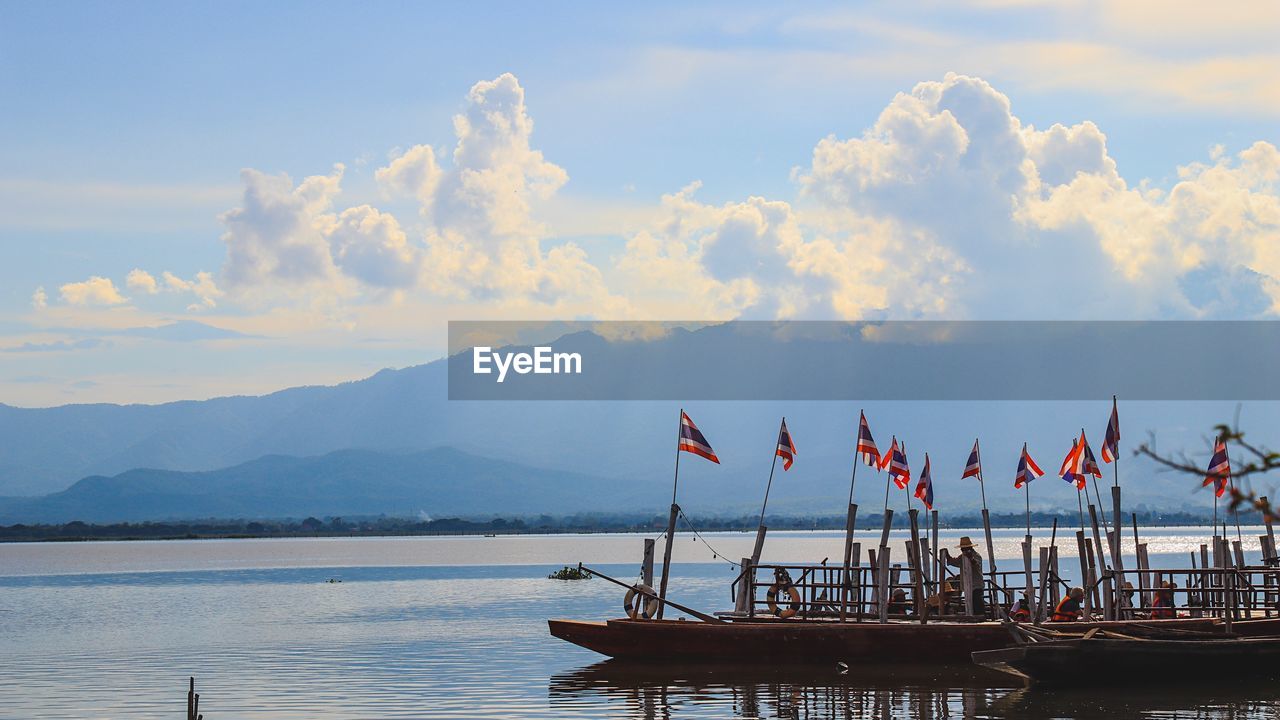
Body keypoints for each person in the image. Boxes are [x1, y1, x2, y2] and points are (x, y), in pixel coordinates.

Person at [942, 537, 986, 615]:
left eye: (965, 549)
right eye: (962, 549)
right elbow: (954, 561)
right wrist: (947, 555)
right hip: (966, 586)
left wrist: (971, 558)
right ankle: (972, 617)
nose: (963, 551)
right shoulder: (962, 557)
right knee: (969, 604)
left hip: (976, 585)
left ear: (970, 548)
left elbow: (976, 566)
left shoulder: (976, 556)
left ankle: (980, 618)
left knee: (977, 604)